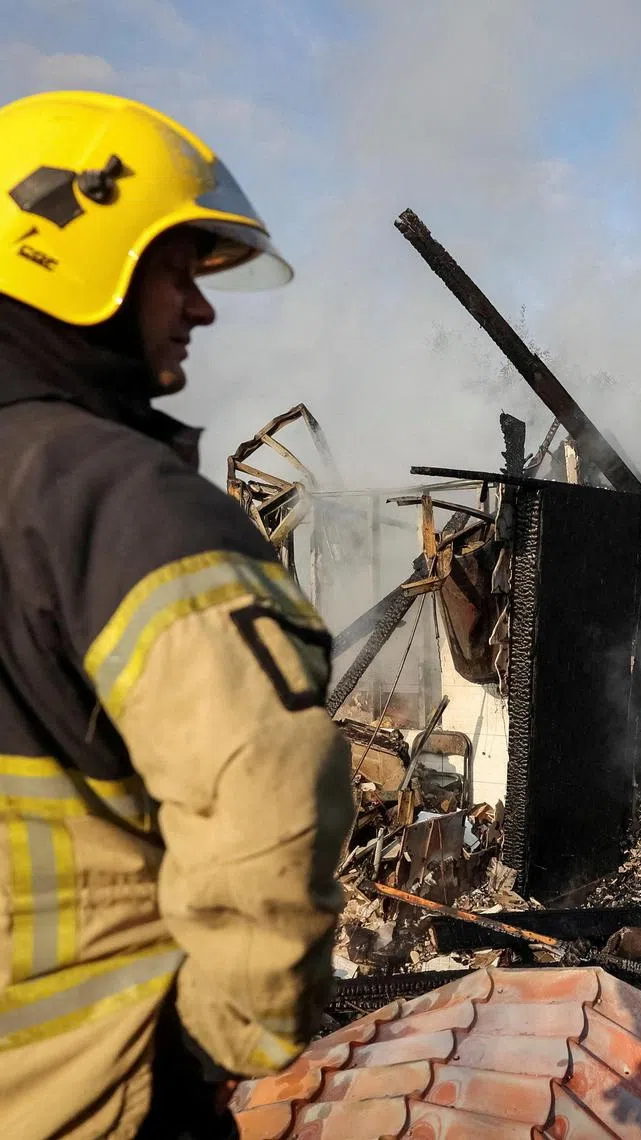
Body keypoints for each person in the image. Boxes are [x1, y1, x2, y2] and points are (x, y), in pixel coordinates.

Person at [0, 91, 354, 1139]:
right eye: (178, 269)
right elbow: (273, 793)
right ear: (79, 256)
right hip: (88, 1094)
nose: (199, 310)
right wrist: (221, 1051)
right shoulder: (119, 501)